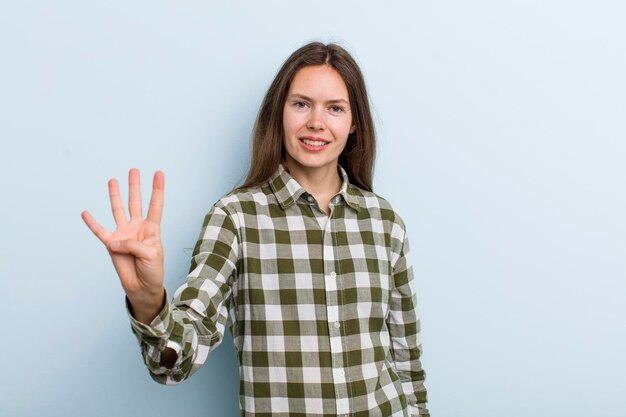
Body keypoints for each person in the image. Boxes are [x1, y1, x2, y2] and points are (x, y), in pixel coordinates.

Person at [82, 42, 429, 417]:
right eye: (301, 104)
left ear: (354, 122)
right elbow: (174, 362)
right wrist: (149, 302)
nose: (316, 122)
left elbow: (406, 359)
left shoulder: (385, 222)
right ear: (278, 113)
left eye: (335, 108)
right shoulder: (235, 217)